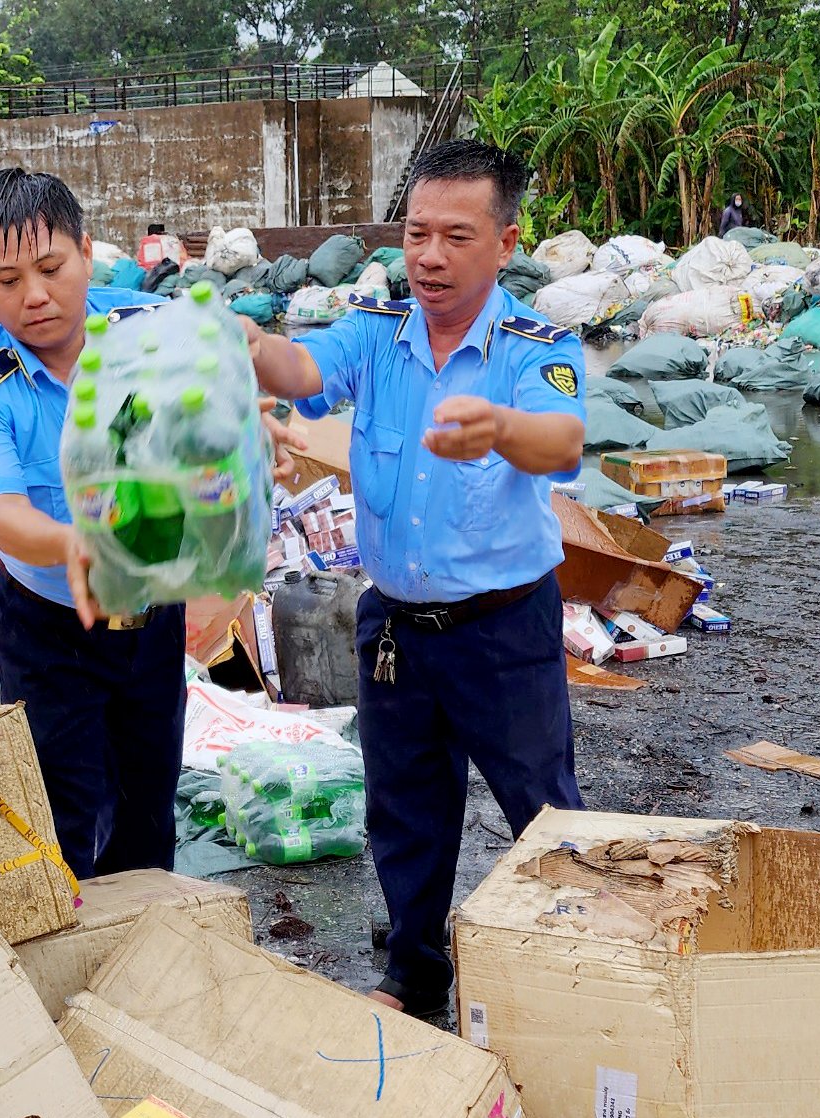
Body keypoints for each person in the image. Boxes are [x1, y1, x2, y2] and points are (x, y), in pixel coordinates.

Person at [243, 140, 588, 1017]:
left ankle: (578, 970)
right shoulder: (375, 333)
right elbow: (303, 373)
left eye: (456, 237)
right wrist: (249, 346)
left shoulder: (533, 347)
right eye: (415, 233)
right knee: (404, 811)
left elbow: (562, 442)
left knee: (543, 810)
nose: (428, 257)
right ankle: (413, 971)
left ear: (505, 242)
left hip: (503, 631)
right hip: (396, 626)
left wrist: (500, 428)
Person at [0, 169, 241, 878]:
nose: (34, 296)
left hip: (152, 617)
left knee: (148, 802)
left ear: (85, 250)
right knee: (64, 812)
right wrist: (75, 542)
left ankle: (144, 961)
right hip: (49, 626)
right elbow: (6, 518)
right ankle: (70, 959)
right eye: (7, 280)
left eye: (50, 267)